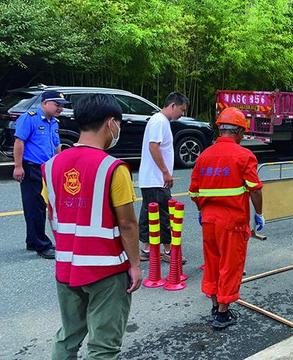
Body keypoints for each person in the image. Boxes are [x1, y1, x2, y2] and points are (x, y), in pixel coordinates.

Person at [42, 94, 142, 359]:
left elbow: (54, 213)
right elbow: (128, 224)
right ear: (111, 123)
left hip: (66, 267)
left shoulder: (50, 167)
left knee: (67, 337)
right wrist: (134, 265)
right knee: (103, 347)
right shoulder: (113, 168)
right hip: (106, 271)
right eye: (118, 124)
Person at [189, 107, 264, 329]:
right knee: (230, 266)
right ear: (240, 131)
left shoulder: (204, 156)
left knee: (212, 263)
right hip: (233, 223)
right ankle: (222, 314)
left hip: (209, 221)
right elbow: (255, 189)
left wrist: (205, 208)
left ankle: (215, 305)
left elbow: (194, 193)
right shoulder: (244, 156)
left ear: (221, 130)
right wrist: (259, 213)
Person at [13, 91, 67, 259]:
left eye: (62, 105)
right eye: (56, 104)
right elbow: (19, 142)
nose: (60, 108)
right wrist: (18, 166)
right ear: (44, 103)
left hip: (47, 169)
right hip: (31, 168)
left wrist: (59, 164)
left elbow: (57, 145)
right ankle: (42, 245)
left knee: (42, 204)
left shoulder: (54, 122)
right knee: (35, 206)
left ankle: (33, 240)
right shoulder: (30, 118)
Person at [138, 92, 189, 263]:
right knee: (165, 214)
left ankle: (146, 248)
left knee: (149, 213)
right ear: (173, 105)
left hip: (150, 179)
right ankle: (168, 250)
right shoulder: (160, 121)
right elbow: (154, 146)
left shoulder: (158, 120)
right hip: (156, 179)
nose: (182, 114)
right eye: (181, 109)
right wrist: (165, 172)